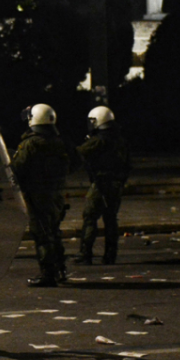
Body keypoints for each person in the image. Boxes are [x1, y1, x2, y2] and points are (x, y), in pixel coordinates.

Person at [11, 104, 74, 287]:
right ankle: (60, 269)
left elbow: (18, 168)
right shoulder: (61, 141)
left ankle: (48, 273)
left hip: (37, 195)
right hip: (56, 193)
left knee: (42, 234)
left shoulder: (30, 143)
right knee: (54, 230)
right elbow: (76, 161)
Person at [75, 106, 131, 265]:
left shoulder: (99, 140)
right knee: (111, 219)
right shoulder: (120, 139)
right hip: (116, 184)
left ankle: (85, 253)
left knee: (90, 217)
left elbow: (79, 153)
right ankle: (110, 254)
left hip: (101, 183)